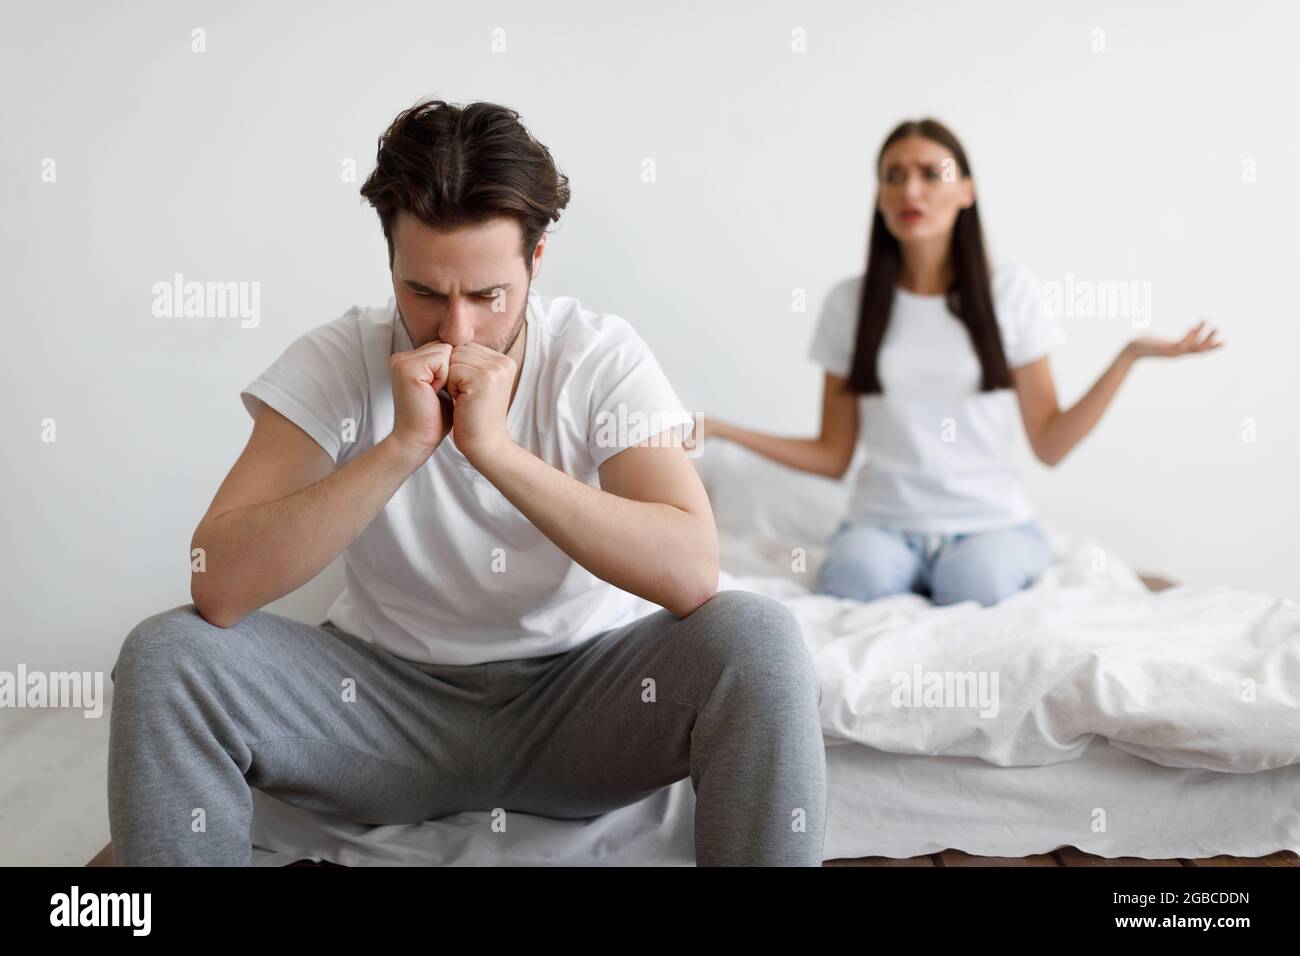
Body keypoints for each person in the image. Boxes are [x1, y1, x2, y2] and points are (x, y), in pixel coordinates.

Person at [107, 99, 826, 866]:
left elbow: (690, 569)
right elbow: (217, 582)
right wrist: (405, 445)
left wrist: (497, 453)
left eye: (488, 296)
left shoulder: (601, 357)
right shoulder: (336, 358)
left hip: (581, 709)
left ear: (537, 261)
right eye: (425, 293)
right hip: (380, 712)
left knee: (760, 637)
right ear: (390, 263)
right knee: (164, 655)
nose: (457, 332)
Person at [703, 118, 1221, 607]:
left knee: (975, 585)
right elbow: (833, 453)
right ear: (879, 196)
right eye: (894, 176)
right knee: (854, 579)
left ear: (966, 192)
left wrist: (1127, 358)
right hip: (881, 524)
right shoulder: (849, 304)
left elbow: (1050, 442)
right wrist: (723, 429)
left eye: (932, 174)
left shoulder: (1010, 294)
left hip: (990, 524)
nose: (911, 190)